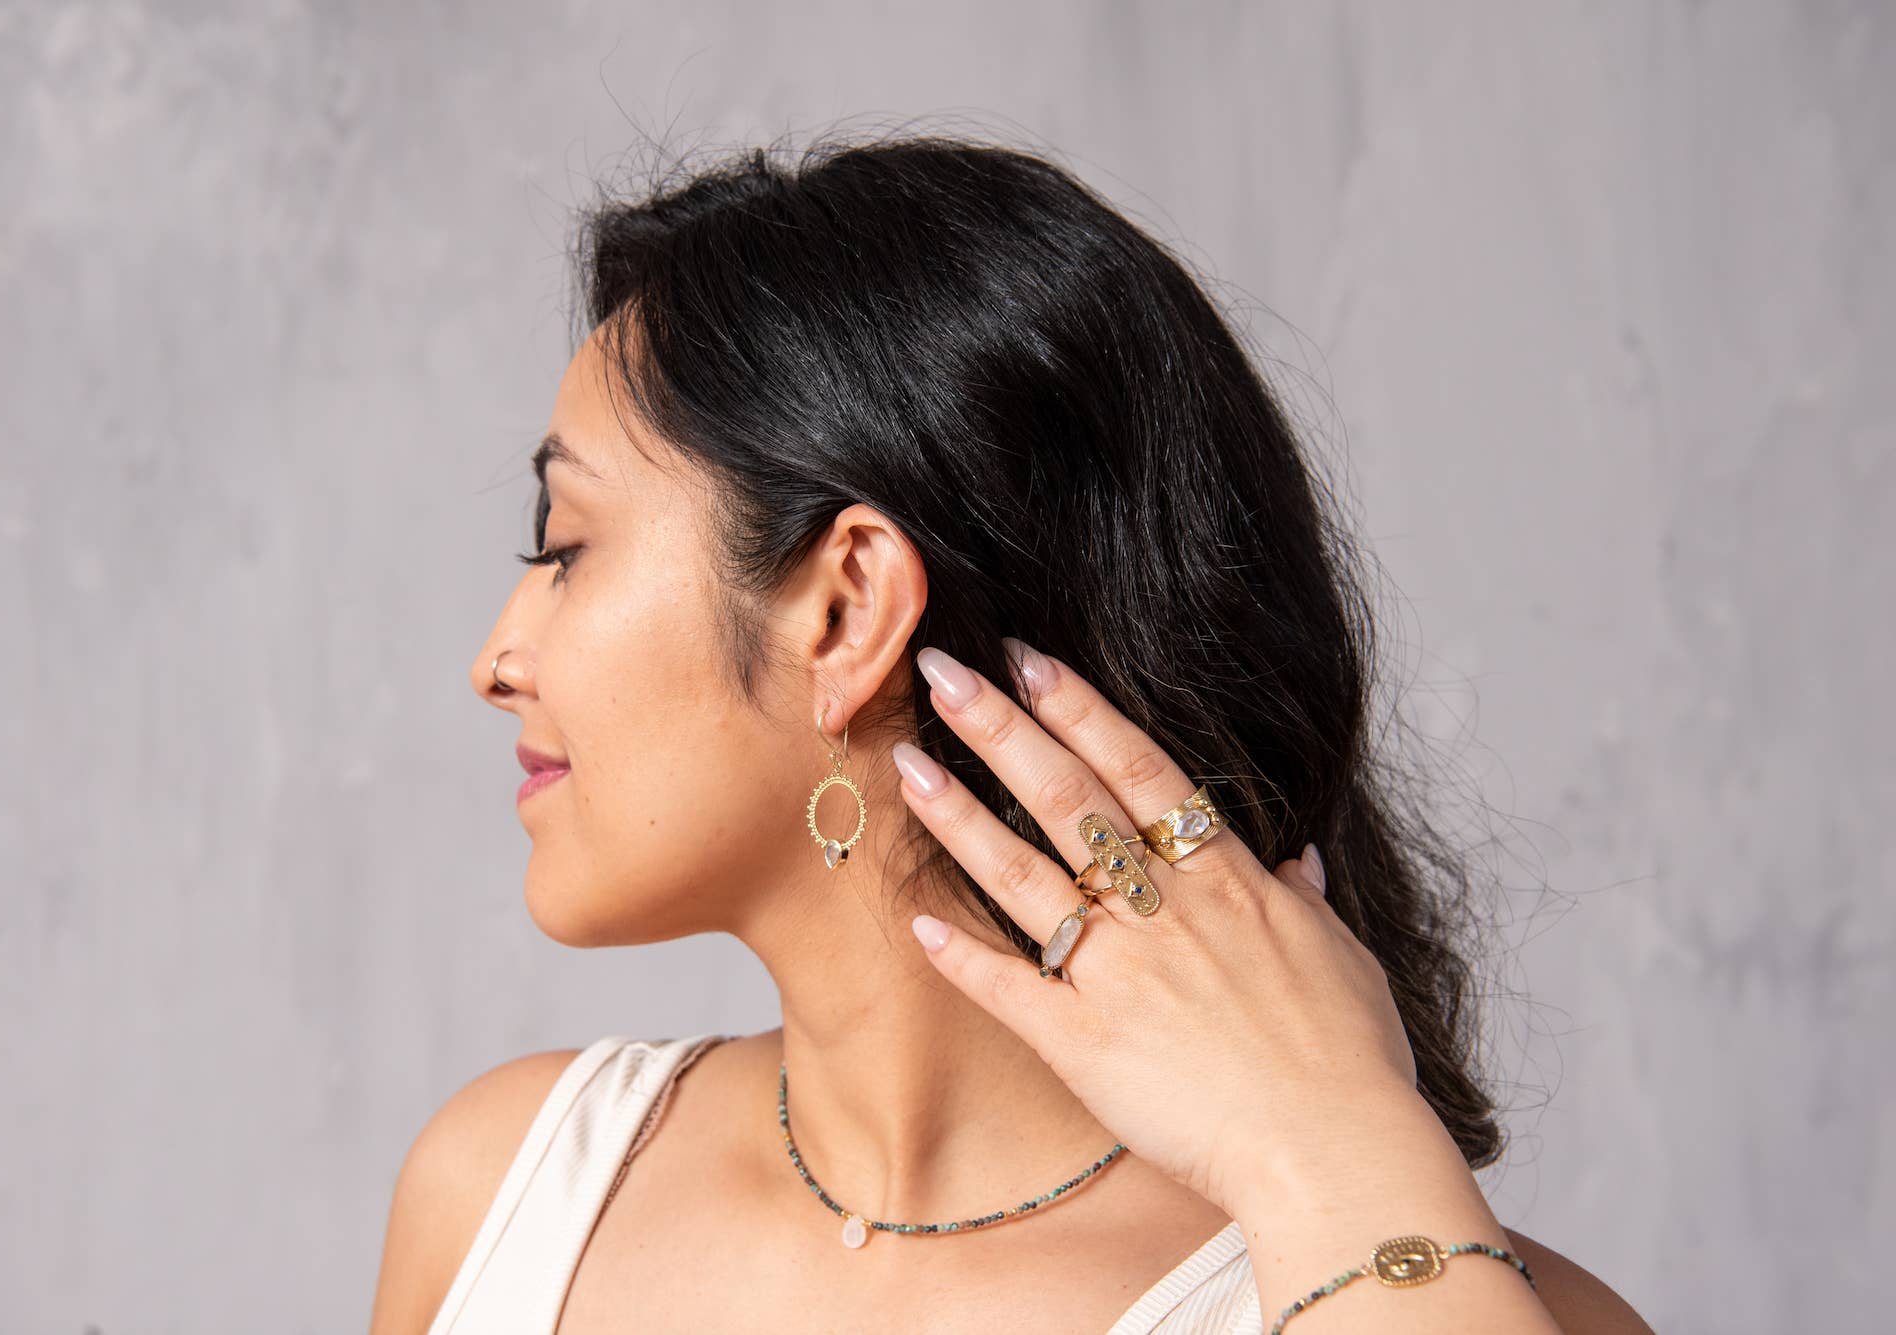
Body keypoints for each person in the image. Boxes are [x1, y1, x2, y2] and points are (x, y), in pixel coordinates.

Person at [369, 133, 1654, 1334]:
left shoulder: (1434, 1279)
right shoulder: (512, 1194)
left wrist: (1333, 1146)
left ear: (844, 607)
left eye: (567, 548)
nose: (496, 662)